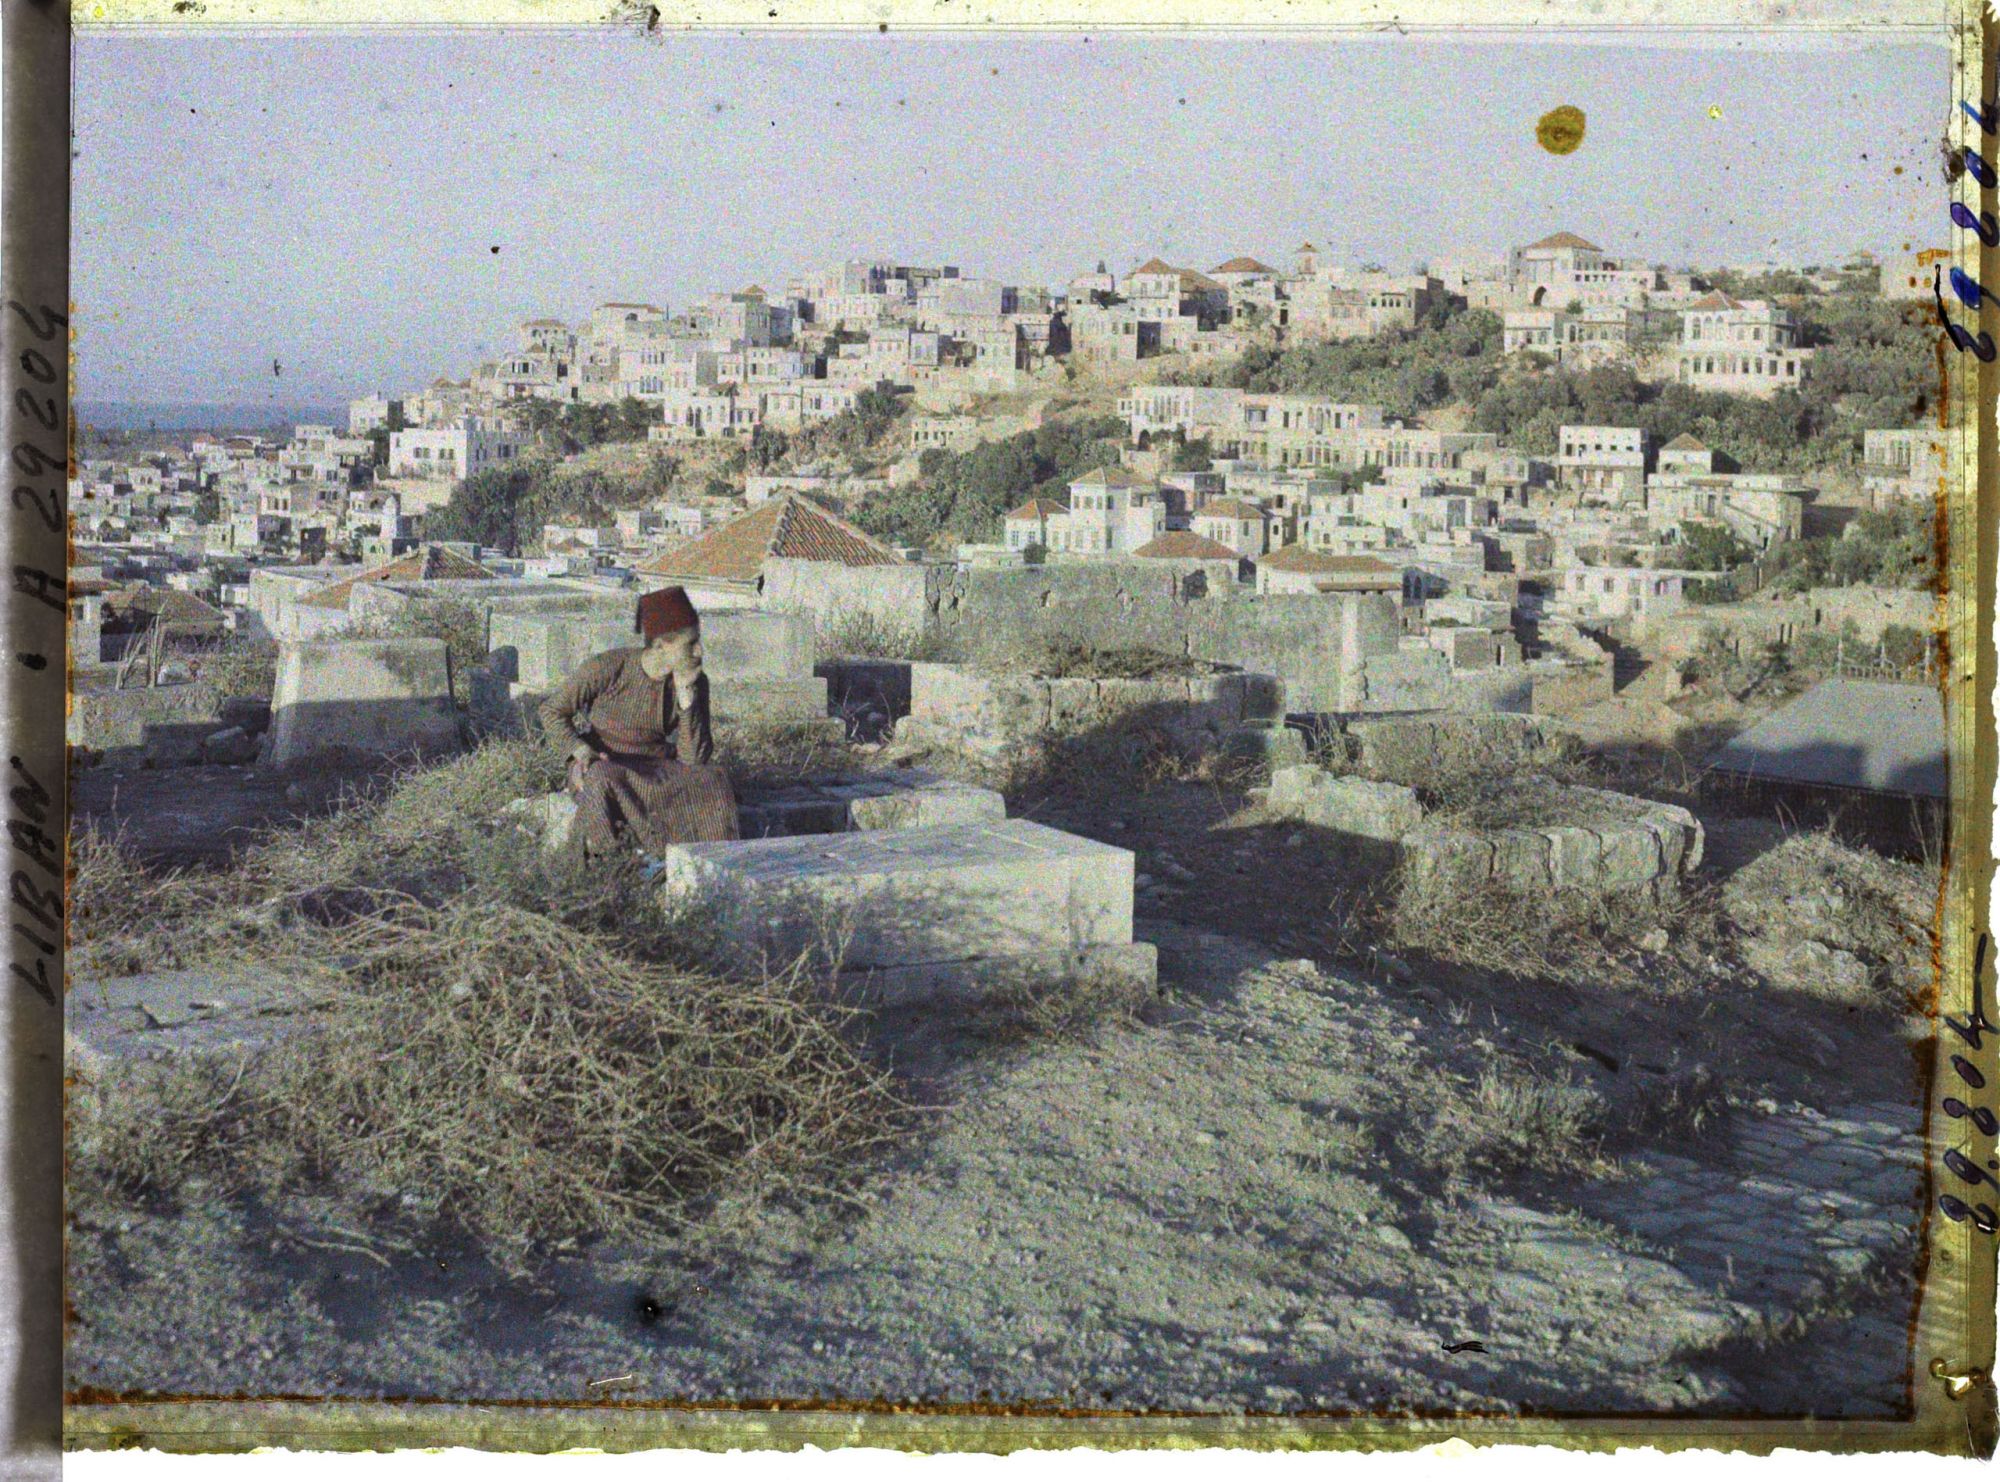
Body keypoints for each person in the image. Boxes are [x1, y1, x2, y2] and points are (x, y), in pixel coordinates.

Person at [538, 585, 741, 857]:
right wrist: (578, 749)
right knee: (600, 779)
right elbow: (552, 710)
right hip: (605, 762)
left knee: (712, 779)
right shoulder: (609, 667)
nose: (699, 652)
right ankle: (614, 864)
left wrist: (686, 698)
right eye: (690, 644)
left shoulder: (693, 681)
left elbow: (694, 759)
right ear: (660, 645)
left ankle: (708, 862)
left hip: (653, 767)